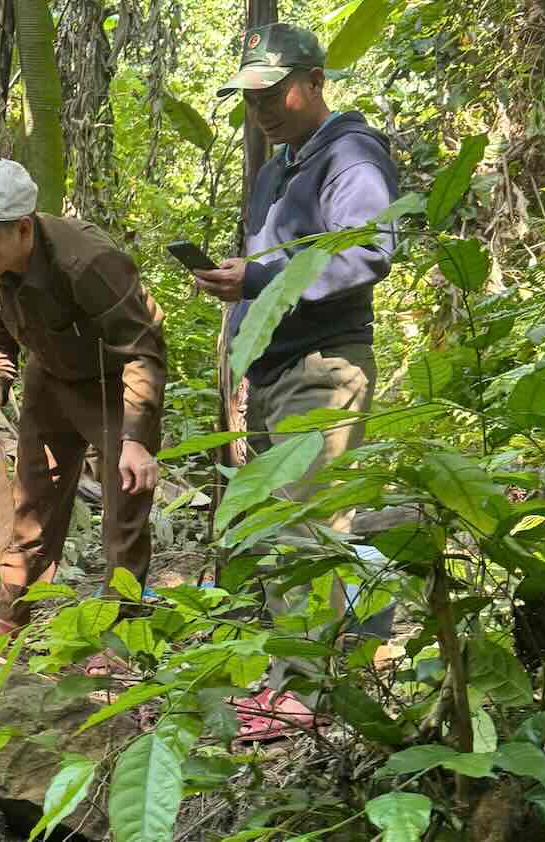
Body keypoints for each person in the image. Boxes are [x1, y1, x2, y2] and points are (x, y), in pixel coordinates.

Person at [192, 23, 399, 739]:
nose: (261, 110)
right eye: (250, 98)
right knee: (283, 527)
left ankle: (306, 695)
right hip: (275, 370)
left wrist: (258, 279)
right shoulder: (278, 168)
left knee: (309, 529)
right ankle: (299, 675)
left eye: (273, 94)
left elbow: (367, 253)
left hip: (324, 366)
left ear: (314, 82)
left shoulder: (351, 154)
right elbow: (270, 268)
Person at [0, 159, 167, 676]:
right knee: (33, 500)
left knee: (123, 510)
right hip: (48, 376)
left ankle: (120, 632)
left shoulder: (89, 261)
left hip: (111, 384)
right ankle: (10, 614)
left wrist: (136, 438)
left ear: (22, 228)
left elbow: (143, 349)